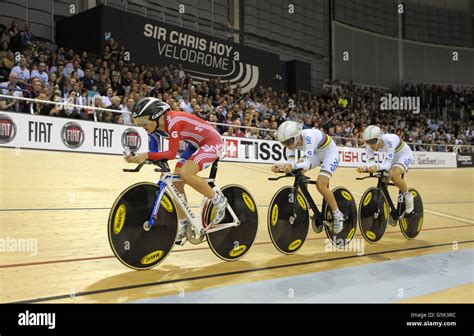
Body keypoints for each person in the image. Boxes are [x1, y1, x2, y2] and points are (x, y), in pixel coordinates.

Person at [124, 97, 228, 245]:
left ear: (155, 116)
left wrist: (145, 156)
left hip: (211, 142)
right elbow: (154, 154)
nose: (141, 126)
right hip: (194, 146)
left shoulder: (173, 120)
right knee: (176, 183)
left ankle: (219, 201)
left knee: (186, 173)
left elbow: (171, 153)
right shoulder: (153, 130)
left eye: (143, 121)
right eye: (138, 123)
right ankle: (184, 223)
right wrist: (137, 158)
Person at [271, 121, 344, 234]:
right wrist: (281, 166)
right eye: (284, 143)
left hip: (330, 153)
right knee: (297, 171)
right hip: (316, 153)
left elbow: (306, 163)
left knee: (321, 185)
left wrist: (291, 165)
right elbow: (291, 163)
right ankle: (307, 201)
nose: (288, 145)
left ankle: (338, 214)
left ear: (297, 136)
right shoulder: (290, 141)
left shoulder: (308, 136)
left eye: (289, 142)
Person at [356, 125, 414, 215]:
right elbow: (371, 161)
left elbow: (387, 165)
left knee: (393, 174)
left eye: (373, 141)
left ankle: (408, 195)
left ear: (379, 138)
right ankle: (387, 207)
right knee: (383, 179)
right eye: (367, 142)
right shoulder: (369, 146)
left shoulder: (389, 140)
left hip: (403, 155)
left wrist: (376, 167)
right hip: (392, 157)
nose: (370, 145)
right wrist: (365, 167)